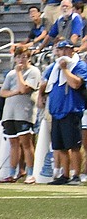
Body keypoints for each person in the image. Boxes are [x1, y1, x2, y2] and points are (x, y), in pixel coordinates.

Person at [39, 41, 87, 185]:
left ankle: (76, 175)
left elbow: (76, 83)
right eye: (60, 49)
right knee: (60, 146)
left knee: (74, 145)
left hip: (71, 109)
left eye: (66, 49)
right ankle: (64, 175)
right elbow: (45, 82)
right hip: (56, 110)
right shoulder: (53, 68)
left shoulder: (79, 66)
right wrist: (41, 94)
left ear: (72, 50)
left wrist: (65, 70)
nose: (63, 53)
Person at [0, 45, 41, 184]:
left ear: (29, 58)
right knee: (13, 143)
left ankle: (30, 173)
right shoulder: (10, 74)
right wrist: (14, 92)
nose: (21, 60)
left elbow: (24, 88)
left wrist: (19, 74)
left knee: (26, 143)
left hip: (24, 113)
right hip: (9, 113)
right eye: (18, 57)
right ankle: (11, 173)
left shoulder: (33, 72)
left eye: (24, 57)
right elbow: (3, 92)